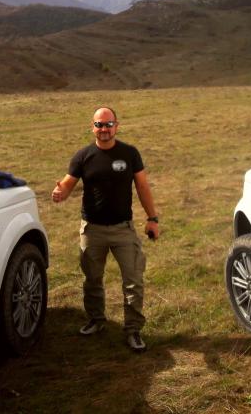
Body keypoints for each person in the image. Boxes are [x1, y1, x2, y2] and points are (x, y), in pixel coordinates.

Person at [52, 106, 160, 353]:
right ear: (93, 127)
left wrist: (152, 218)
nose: (104, 129)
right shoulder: (83, 156)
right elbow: (68, 184)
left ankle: (133, 330)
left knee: (133, 281)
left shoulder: (130, 153)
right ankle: (96, 321)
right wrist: (61, 192)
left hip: (123, 229)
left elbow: (142, 187)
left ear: (116, 126)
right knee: (92, 279)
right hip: (93, 230)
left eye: (108, 124)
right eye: (99, 125)